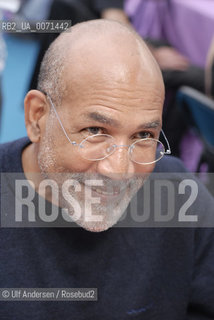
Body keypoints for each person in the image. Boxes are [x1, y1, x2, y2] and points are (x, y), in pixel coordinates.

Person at [0, 20, 214, 319]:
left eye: (143, 136)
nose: (119, 170)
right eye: (95, 130)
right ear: (37, 117)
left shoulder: (181, 198)